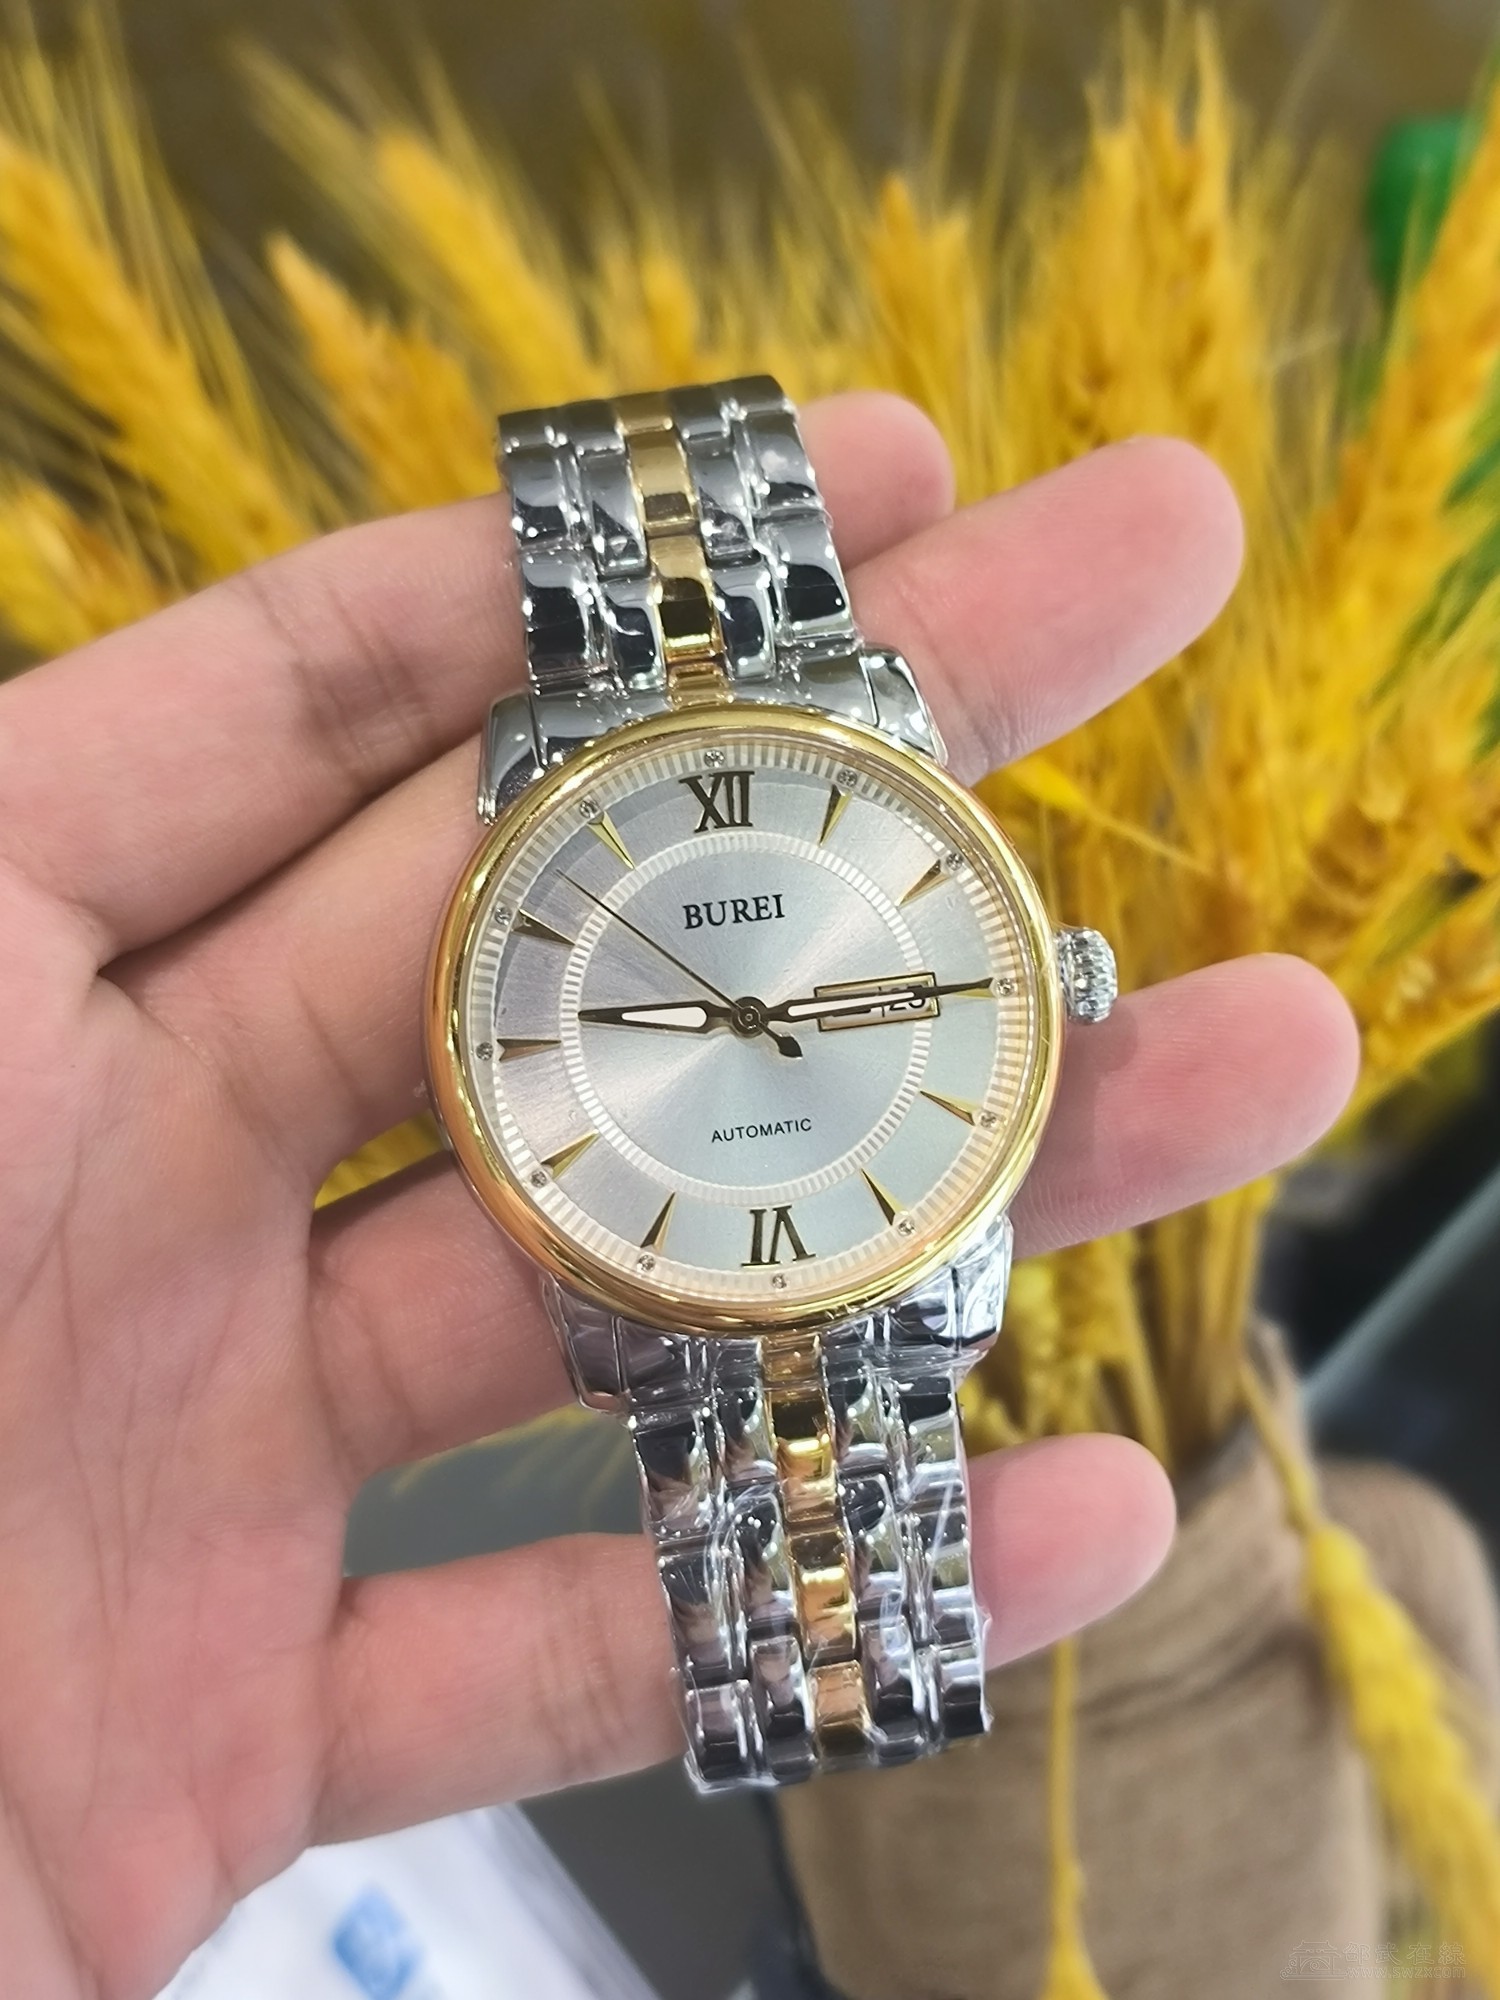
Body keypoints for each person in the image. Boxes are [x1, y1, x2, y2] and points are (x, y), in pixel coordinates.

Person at [0, 396, 1359, 2000]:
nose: (759, 1017)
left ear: (1054, 980)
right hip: (676, 1257)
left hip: (774, 1234)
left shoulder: (866, 843)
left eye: (772, 1003)